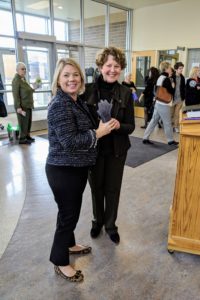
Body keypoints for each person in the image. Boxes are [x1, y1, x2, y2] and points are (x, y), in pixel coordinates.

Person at [45, 58, 115, 282]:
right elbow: (70, 142)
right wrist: (98, 133)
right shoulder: (59, 105)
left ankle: (70, 244)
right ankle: (60, 261)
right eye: (66, 75)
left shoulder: (75, 101)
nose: (71, 79)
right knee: (68, 215)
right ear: (58, 79)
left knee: (68, 211)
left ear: (81, 78)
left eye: (75, 75)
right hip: (63, 170)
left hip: (75, 168)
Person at [83, 46, 135, 244]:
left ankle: (111, 225)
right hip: (94, 150)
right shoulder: (86, 91)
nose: (112, 69)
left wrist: (119, 125)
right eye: (108, 65)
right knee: (96, 188)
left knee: (113, 189)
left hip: (117, 151)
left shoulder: (125, 92)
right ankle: (97, 221)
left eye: (117, 66)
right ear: (100, 67)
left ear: (121, 68)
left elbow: (131, 126)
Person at [142, 61, 178, 146]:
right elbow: (171, 91)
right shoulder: (166, 79)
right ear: (166, 69)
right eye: (169, 68)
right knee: (167, 122)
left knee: (153, 121)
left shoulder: (160, 77)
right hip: (164, 104)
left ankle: (145, 137)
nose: (170, 69)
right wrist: (173, 85)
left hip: (158, 102)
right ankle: (170, 140)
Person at [12, 62, 35, 144]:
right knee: (23, 123)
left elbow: (28, 90)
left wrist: (35, 87)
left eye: (25, 69)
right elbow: (16, 95)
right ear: (17, 70)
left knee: (28, 122)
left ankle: (27, 136)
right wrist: (18, 107)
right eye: (22, 69)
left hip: (28, 105)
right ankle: (22, 139)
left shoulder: (23, 79)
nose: (24, 70)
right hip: (22, 106)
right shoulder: (16, 80)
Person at [171, 62, 185, 133]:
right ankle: (168, 125)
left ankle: (175, 127)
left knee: (177, 114)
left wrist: (183, 97)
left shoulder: (182, 77)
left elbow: (183, 88)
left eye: (182, 68)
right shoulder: (171, 76)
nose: (181, 70)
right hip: (172, 98)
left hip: (180, 98)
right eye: (180, 68)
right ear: (176, 69)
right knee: (170, 114)